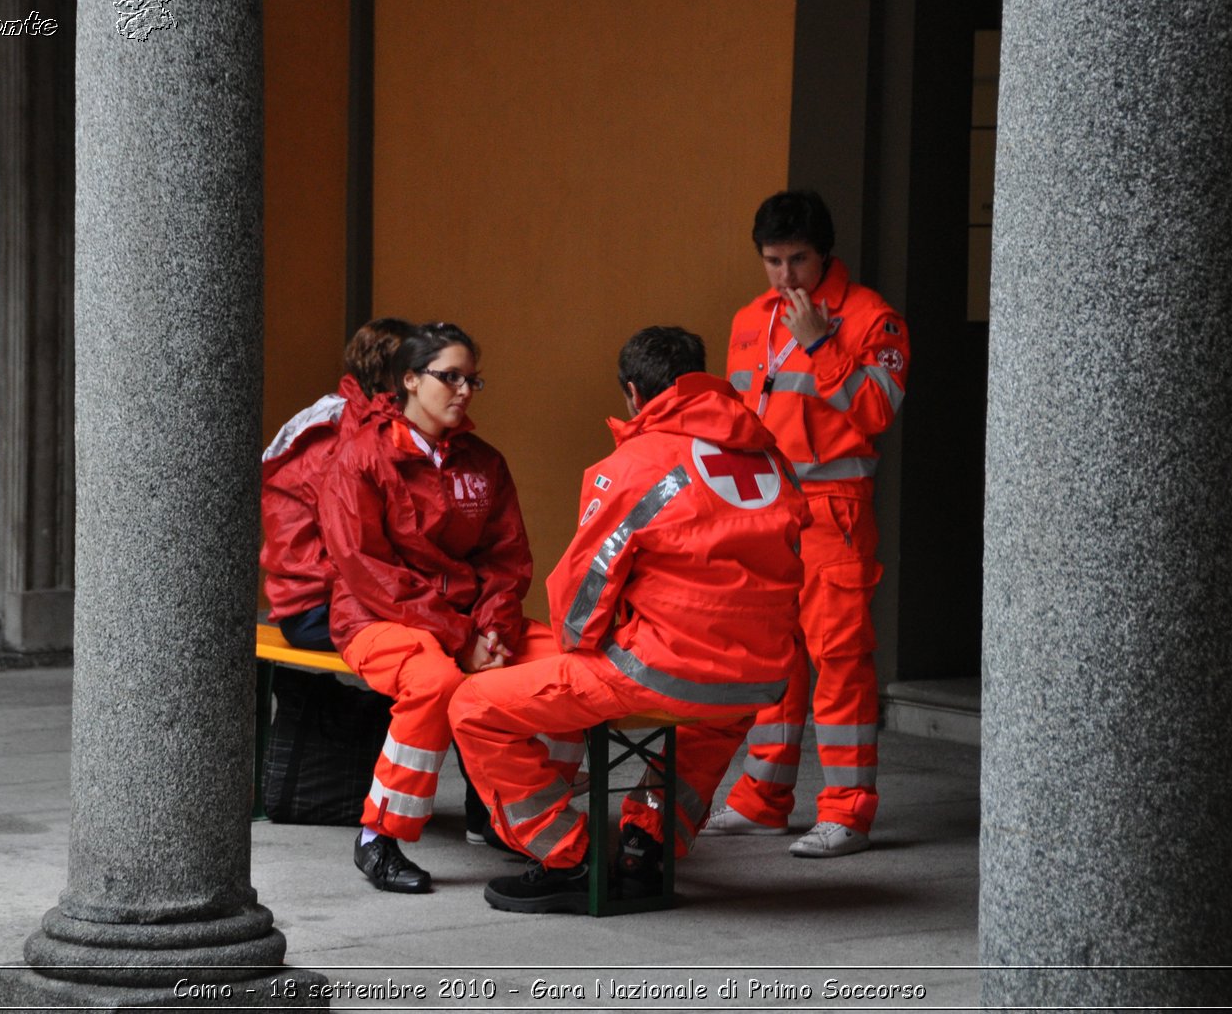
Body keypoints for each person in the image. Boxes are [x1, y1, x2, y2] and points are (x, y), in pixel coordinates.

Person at [448, 326, 810, 913]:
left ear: (634, 394)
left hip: (654, 668)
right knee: (706, 728)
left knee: (474, 707)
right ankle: (646, 852)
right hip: (757, 680)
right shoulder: (773, 460)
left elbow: (588, 582)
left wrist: (576, 646)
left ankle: (570, 858)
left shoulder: (636, 462)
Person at [319, 322, 579, 894]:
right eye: (450, 377)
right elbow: (364, 566)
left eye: (472, 379)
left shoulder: (484, 462)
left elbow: (507, 559)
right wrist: (461, 637)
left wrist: (495, 629)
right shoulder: (361, 458)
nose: (464, 390)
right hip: (375, 619)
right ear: (409, 380)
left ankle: (530, 823)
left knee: (569, 666)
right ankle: (378, 839)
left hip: (473, 623)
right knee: (435, 681)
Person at [705, 189, 910, 858]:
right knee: (774, 661)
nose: (786, 276)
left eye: (798, 259)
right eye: (772, 261)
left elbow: (877, 411)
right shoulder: (747, 318)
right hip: (767, 515)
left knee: (840, 661)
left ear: (826, 254)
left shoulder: (872, 317)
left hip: (836, 513)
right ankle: (762, 801)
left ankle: (847, 812)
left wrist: (822, 343)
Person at [260, 318, 415, 650]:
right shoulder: (343, 429)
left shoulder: (346, 416)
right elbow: (346, 540)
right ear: (391, 372)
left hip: (320, 597)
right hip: (317, 606)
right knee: (430, 636)